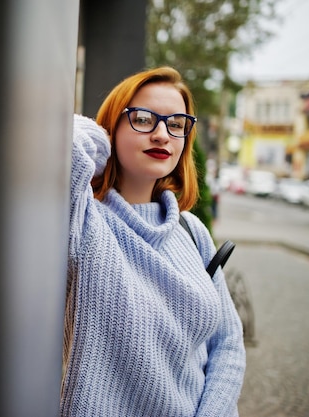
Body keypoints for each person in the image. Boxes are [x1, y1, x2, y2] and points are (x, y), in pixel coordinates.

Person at [61, 66, 245, 416]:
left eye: (176, 124)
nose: (162, 134)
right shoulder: (84, 219)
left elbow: (227, 345)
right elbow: (63, 142)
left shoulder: (192, 232)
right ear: (112, 127)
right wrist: (100, 140)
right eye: (143, 119)